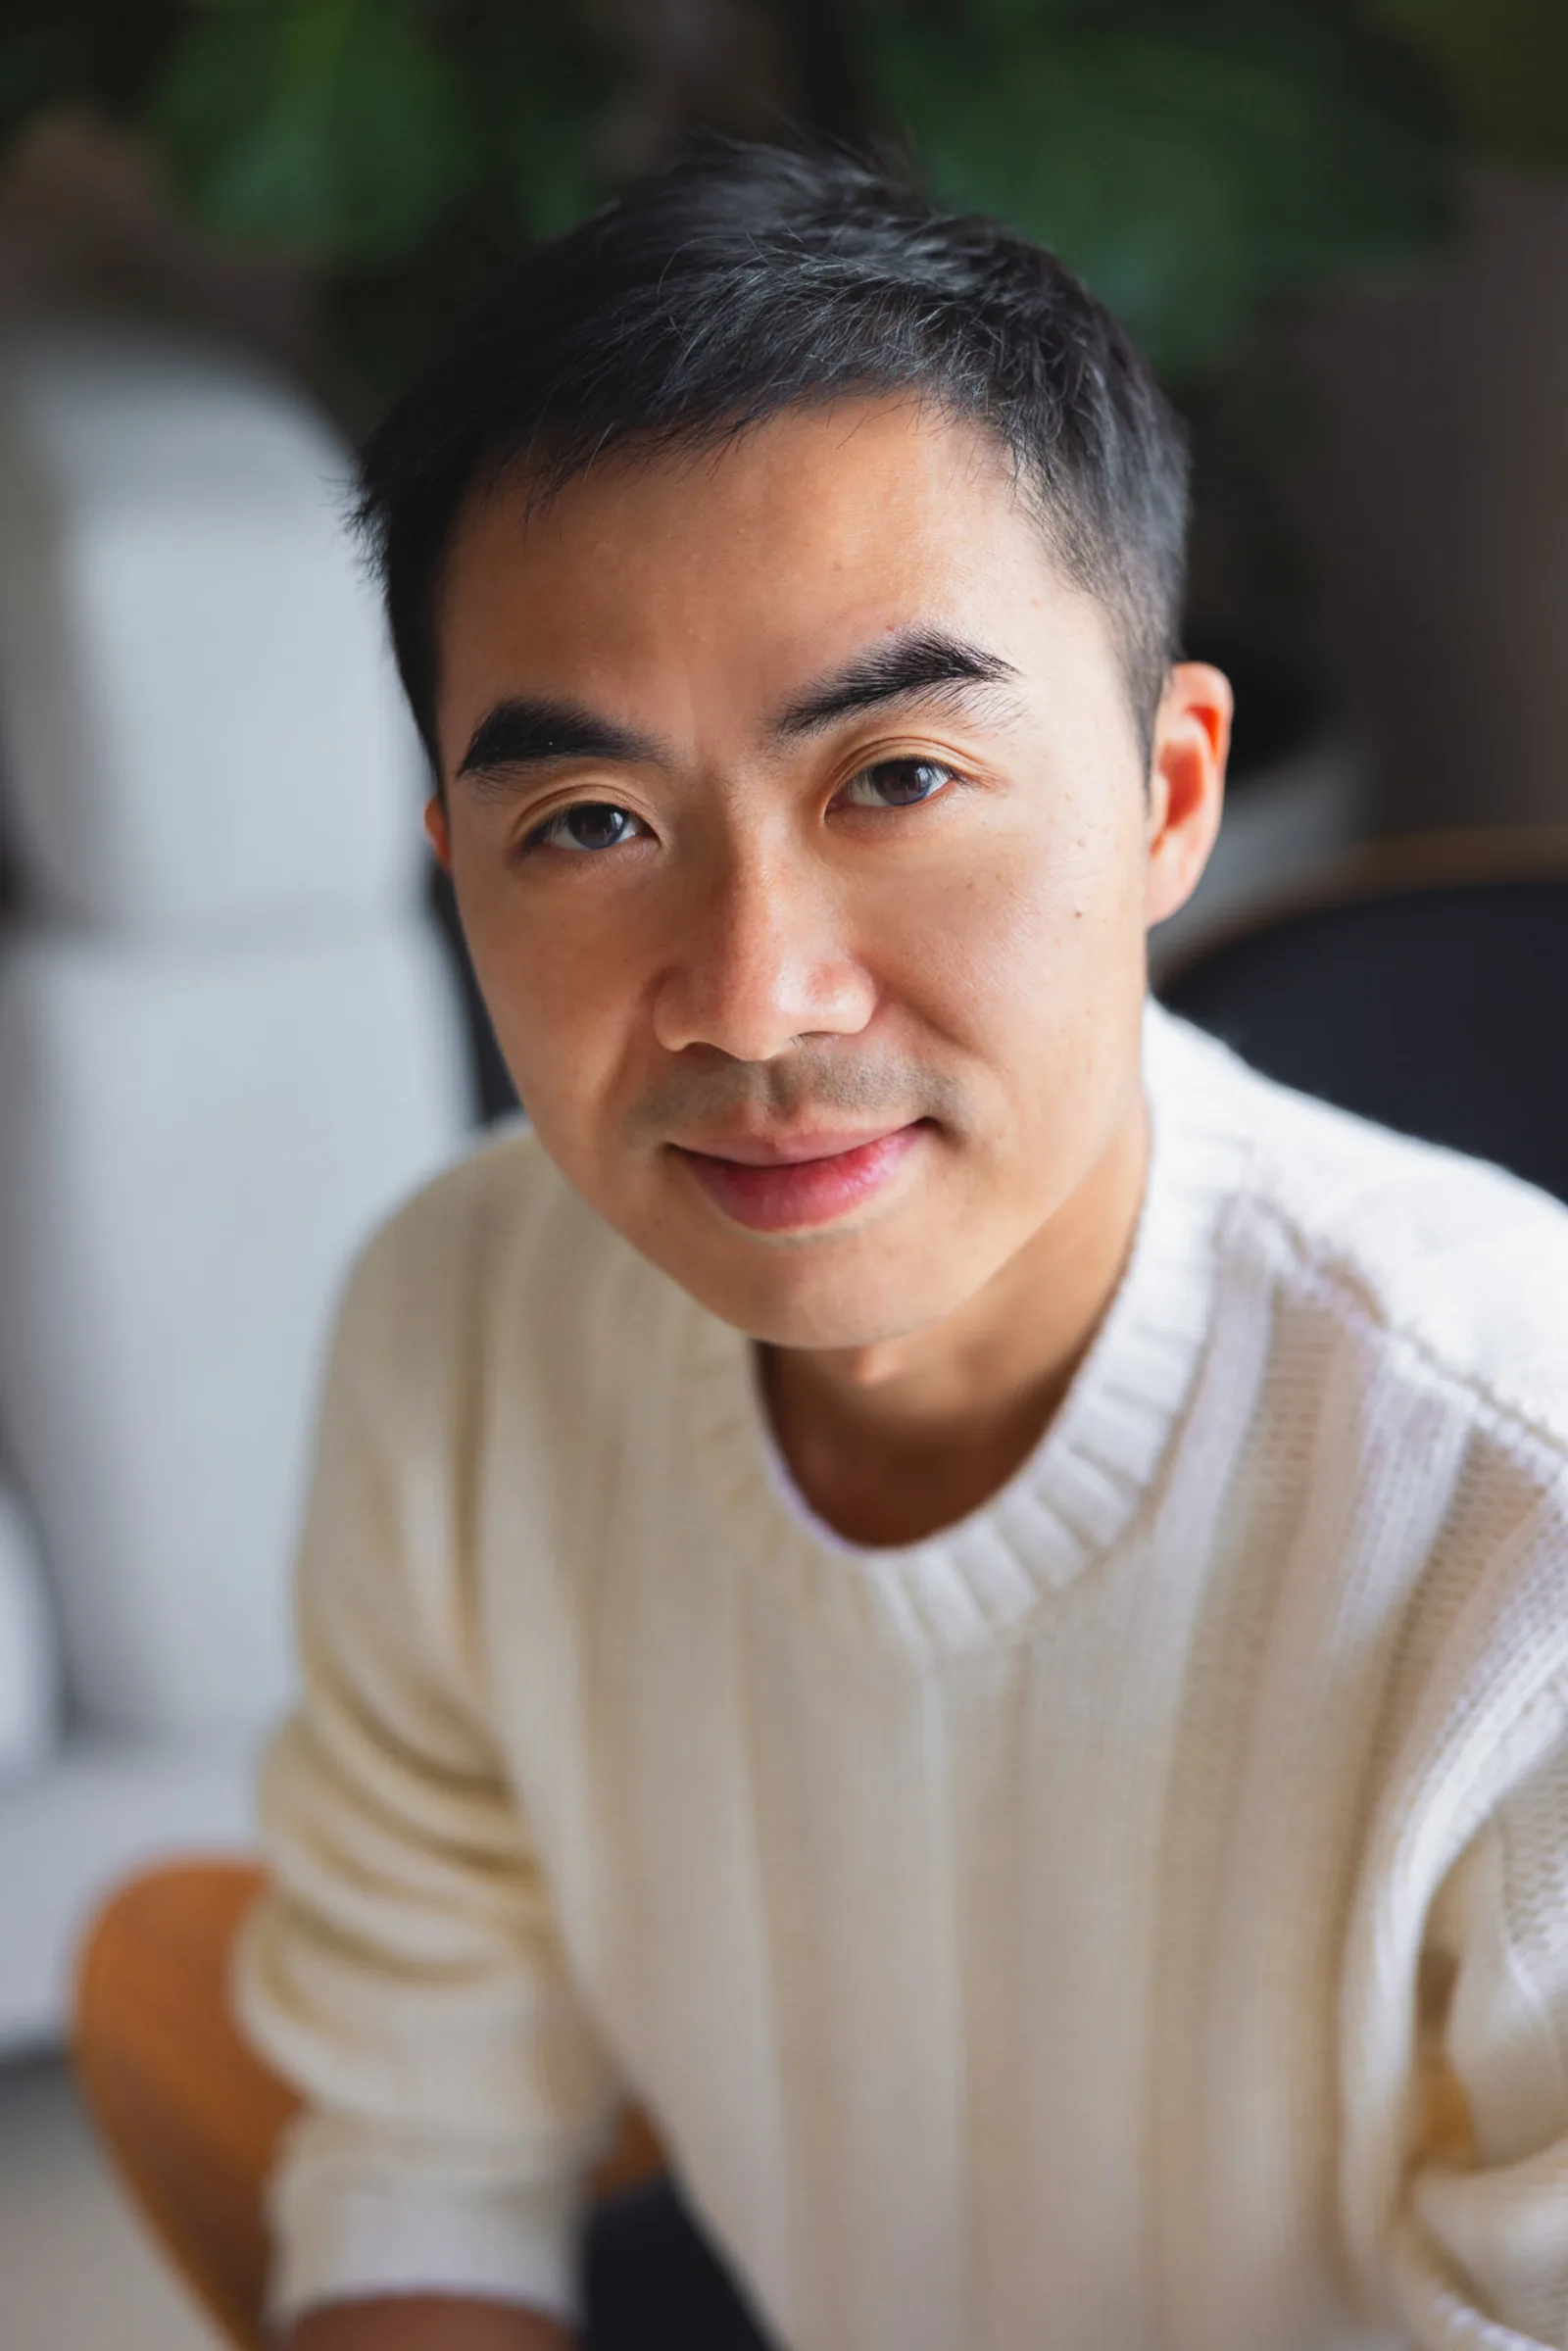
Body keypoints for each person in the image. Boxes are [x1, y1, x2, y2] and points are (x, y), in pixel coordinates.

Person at [236, 144, 1568, 2351]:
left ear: (1162, 792)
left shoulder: (1513, 1540)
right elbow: (416, 2136)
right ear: (451, 869)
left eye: (895, 777)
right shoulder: (454, 1326)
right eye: (587, 824)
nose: (753, 998)